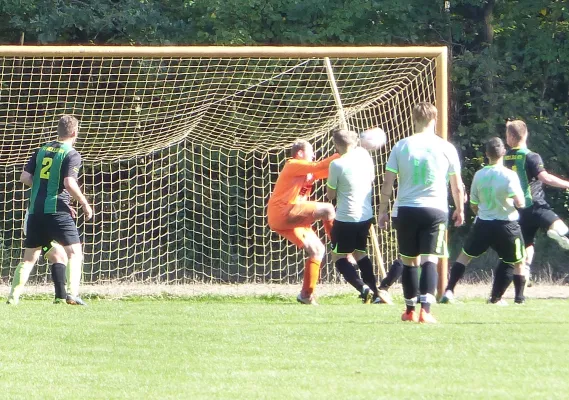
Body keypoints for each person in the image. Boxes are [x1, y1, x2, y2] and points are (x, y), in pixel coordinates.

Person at [377, 102, 465, 323]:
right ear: (434, 121)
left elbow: (387, 183)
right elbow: (457, 185)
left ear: (414, 120)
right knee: (429, 261)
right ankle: (425, 311)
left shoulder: (401, 146)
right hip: (434, 210)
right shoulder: (446, 147)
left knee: (408, 262)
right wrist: (460, 209)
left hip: (405, 209)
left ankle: (409, 311)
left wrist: (382, 211)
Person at [7, 115, 93, 305]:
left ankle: (13, 298)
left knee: (30, 258)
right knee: (74, 252)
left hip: (35, 212)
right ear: (75, 133)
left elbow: (24, 177)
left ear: (58, 130)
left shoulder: (41, 150)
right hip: (57, 211)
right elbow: (69, 183)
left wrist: (42, 188)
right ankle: (71, 293)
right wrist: (84, 203)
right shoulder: (71, 154)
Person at [441, 137, 527, 305]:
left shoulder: (479, 175)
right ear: (504, 152)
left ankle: (449, 290)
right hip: (506, 224)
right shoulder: (509, 175)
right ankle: (515, 298)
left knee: (465, 256)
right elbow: (520, 202)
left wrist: (483, 211)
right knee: (517, 260)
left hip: (483, 223)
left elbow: (473, 204)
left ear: (487, 154)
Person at [267, 139, 339, 305]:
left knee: (318, 250)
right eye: (310, 151)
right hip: (284, 211)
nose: (313, 155)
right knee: (328, 209)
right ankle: (339, 247)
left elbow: (326, 170)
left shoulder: (308, 172)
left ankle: (306, 295)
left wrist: (348, 163)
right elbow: (319, 165)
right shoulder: (293, 164)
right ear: (300, 153)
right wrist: (343, 153)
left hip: (287, 218)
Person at [326, 128, 389, 304]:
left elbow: (330, 195)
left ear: (336, 145)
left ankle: (363, 288)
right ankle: (376, 293)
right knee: (360, 253)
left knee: (338, 257)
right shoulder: (364, 156)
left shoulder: (336, 164)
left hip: (346, 218)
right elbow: (372, 179)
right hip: (365, 216)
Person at [502, 119, 569, 283]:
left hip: (519, 209)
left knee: (528, 243)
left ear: (510, 137)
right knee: (562, 228)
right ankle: (560, 236)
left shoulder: (505, 158)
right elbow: (545, 178)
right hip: (536, 205)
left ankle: (525, 272)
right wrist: (566, 184)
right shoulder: (531, 156)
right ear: (525, 134)